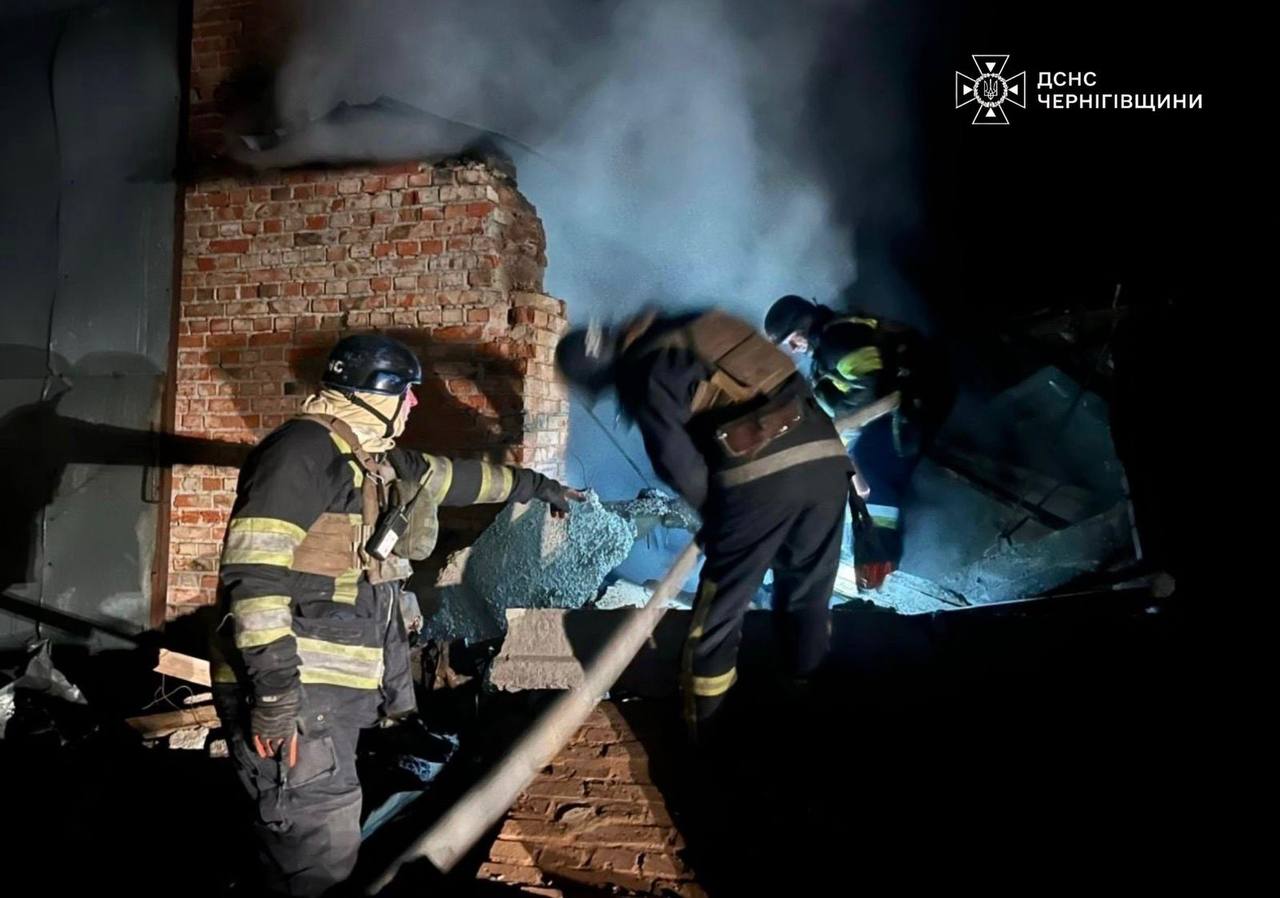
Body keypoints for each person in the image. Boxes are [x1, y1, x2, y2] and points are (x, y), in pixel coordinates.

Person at [213, 334, 582, 895]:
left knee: (303, 838)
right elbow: (254, 578)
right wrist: (274, 696)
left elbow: (460, 478)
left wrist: (538, 486)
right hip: (295, 691)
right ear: (375, 393)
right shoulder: (300, 453)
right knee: (317, 852)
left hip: (327, 692)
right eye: (406, 392)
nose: (413, 403)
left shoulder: (375, 462)